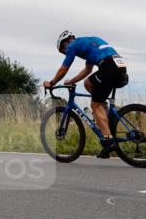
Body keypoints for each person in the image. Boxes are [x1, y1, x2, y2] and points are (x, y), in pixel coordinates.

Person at [43, 30, 128, 158]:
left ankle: (109, 141)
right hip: (120, 67)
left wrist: (52, 82)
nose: (65, 52)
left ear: (65, 43)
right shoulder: (88, 43)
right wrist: (71, 81)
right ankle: (103, 110)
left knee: (95, 105)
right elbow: (87, 70)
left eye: (62, 50)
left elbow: (63, 69)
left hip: (108, 67)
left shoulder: (72, 45)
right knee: (88, 83)